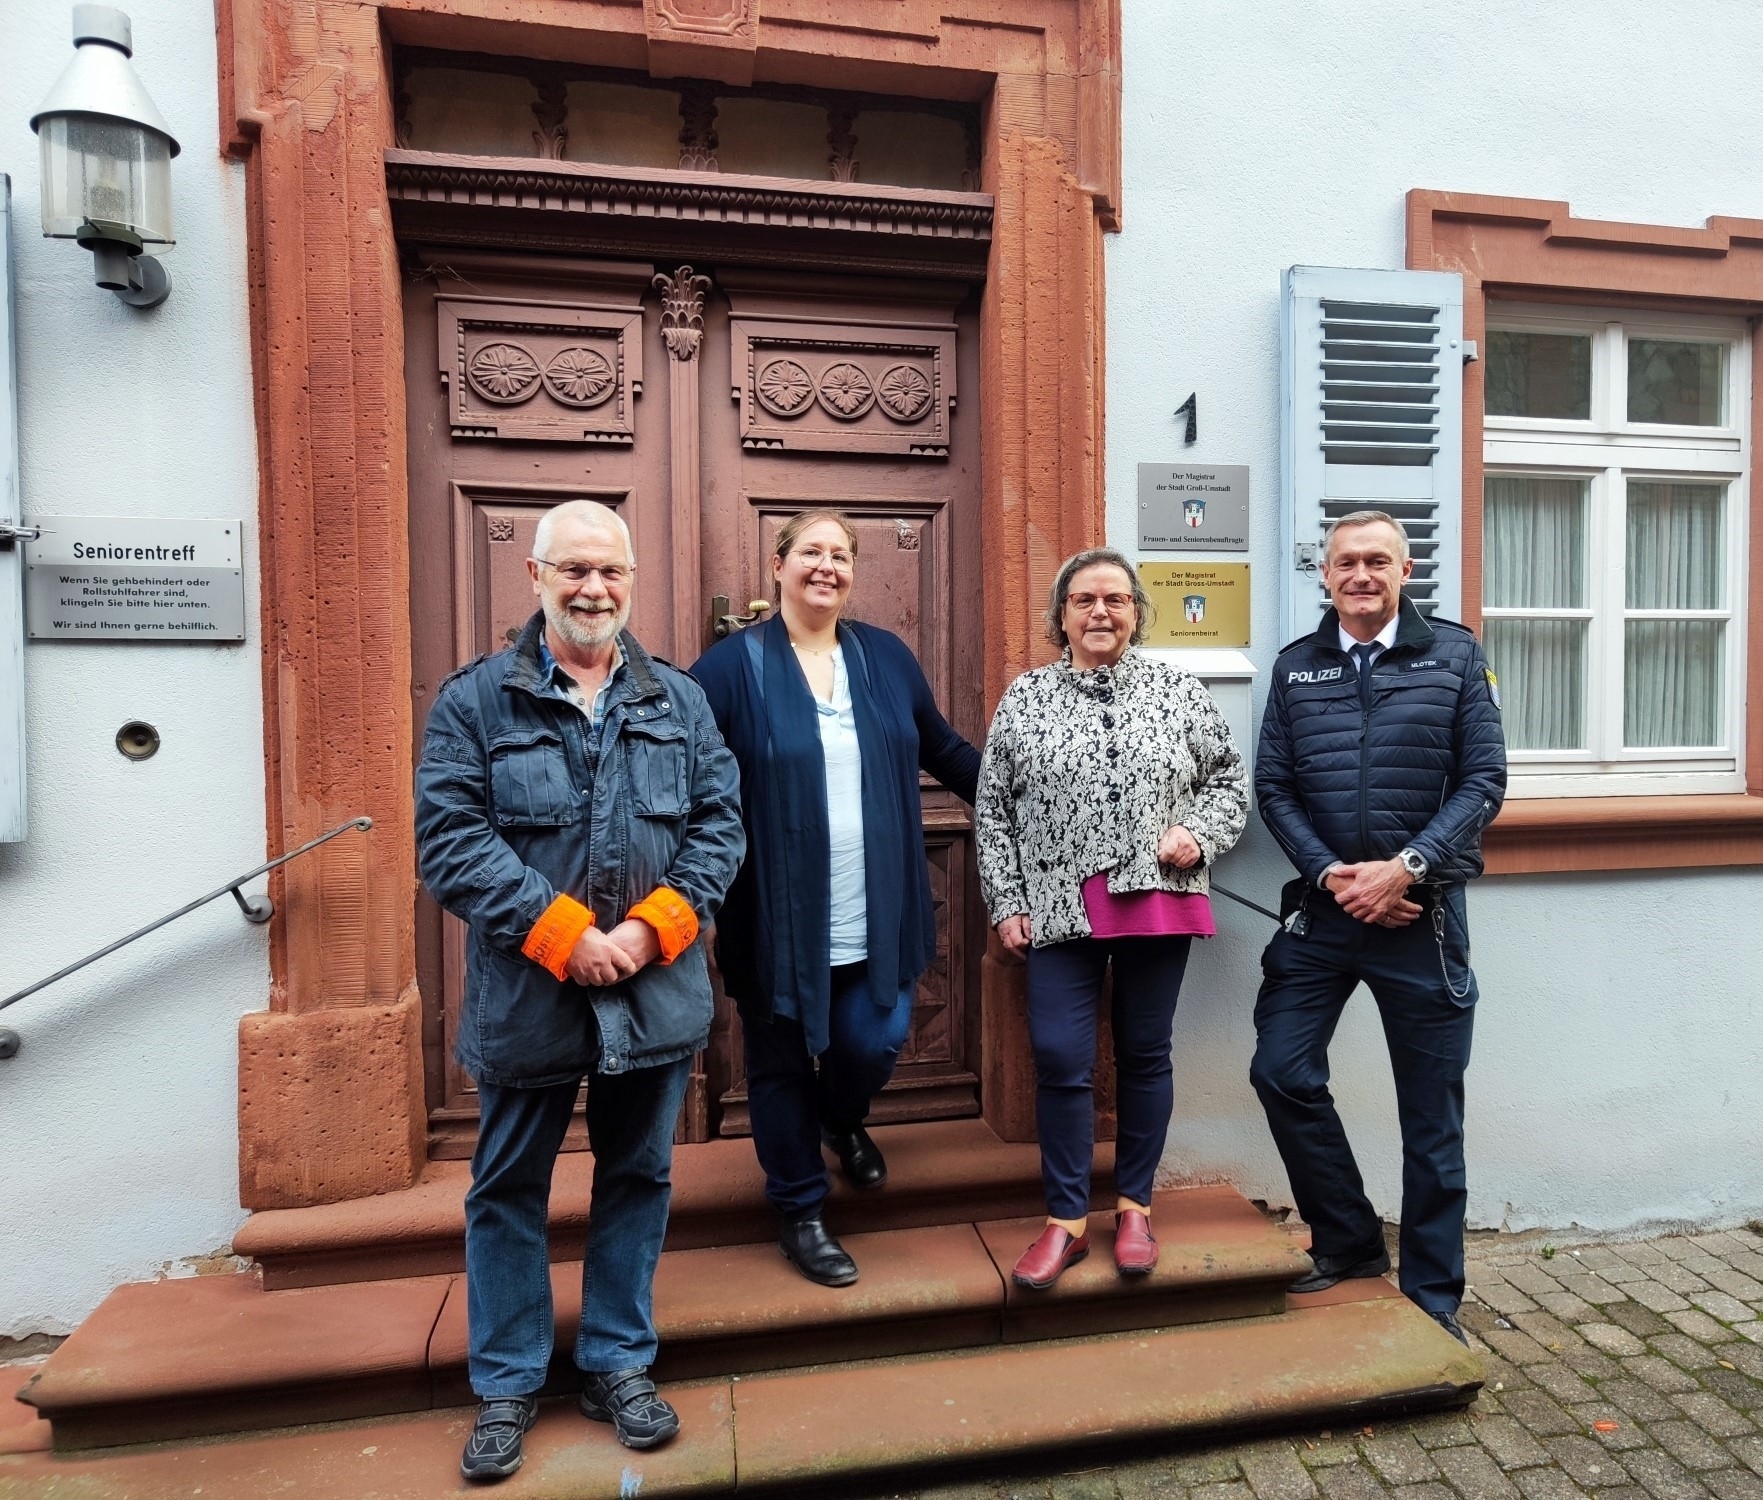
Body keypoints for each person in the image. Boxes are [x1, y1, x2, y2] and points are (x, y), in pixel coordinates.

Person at [415, 500, 744, 1482]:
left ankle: (616, 1362)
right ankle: (507, 1382)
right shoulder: (475, 702)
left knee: (636, 1176)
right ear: (536, 577)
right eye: (574, 571)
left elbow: (719, 828)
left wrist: (648, 931)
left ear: (631, 581)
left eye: (610, 572)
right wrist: (564, 937)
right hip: (529, 996)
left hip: (652, 989)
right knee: (508, 1188)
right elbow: (451, 844)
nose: (594, 589)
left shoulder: (679, 700)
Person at [691, 509, 980, 1288]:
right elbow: (685, 784)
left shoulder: (884, 656)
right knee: (779, 1060)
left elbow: (943, 749)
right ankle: (800, 1210)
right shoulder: (729, 669)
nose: (826, 566)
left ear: (852, 572)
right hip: (773, 913)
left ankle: (839, 1117)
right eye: (810, 552)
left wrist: (1030, 798)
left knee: (875, 1038)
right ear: (778, 566)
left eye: (840, 555)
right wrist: (692, 900)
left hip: (875, 905)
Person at [1251, 509, 1506, 1346]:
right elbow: (1274, 785)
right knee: (1280, 1071)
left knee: (1430, 1119)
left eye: (1375, 561)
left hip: (1418, 918)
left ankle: (1433, 1296)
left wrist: (1407, 867)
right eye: (1345, 562)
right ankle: (1349, 1239)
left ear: (1404, 571)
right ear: (1324, 575)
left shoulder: (1456, 656)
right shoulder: (1296, 667)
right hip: (1322, 914)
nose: (1359, 575)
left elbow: (1483, 781)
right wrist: (1332, 873)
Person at [975, 547, 1247, 1289]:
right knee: (1060, 1055)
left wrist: (1197, 832)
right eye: (1084, 600)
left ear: (1135, 613)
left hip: (1156, 896)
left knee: (1144, 1052)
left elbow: (1228, 782)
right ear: (1061, 616)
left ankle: (1134, 1209)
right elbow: (993, 810)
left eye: (1116, 600)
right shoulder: (1026, 697)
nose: (1100, 612)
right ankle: (1065, 1221)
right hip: (1058, 907)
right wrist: (1008, 900)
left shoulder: (1176, 691)